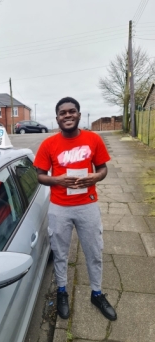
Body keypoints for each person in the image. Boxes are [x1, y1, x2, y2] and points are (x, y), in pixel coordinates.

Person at [33, 97, 117, 321]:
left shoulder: (93, 139)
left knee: (94, 252)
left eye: (72, 112)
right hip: (60, 208)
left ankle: (96, 293)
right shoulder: (48, 144)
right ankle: (62, 290)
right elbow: (40, 176)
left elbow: (102, 168)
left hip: (87, 206)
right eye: (63, 113)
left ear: (79, 115)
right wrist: (58, 180)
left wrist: (95, 177)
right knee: (60, 253)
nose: (67, 115)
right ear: (57, 118)